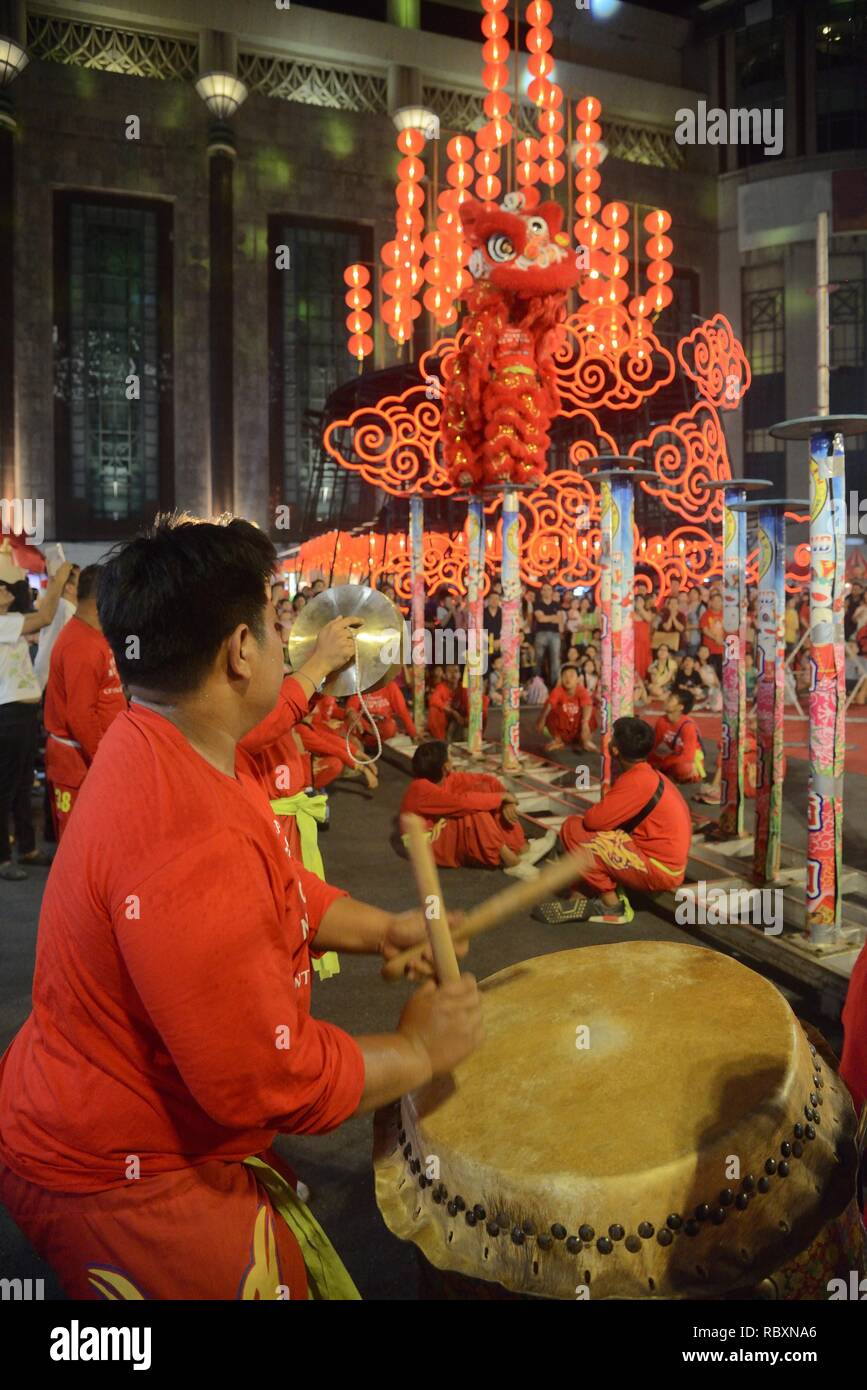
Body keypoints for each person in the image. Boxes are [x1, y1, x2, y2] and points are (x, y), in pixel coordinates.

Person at [0, 514, 482, 1301]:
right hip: (119, 1166)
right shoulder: (185, 838)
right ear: (239, 650)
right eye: (275, 619)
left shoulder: (156, 735)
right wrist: (419, 1055)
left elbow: (280, 887)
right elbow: (262, 1079)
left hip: (108, 1113)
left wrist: (384, 928)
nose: (286, 633)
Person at [533, 715, 692, 925]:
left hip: (659, 870)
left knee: (573, 829)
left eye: (612, 738)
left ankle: (611, 903)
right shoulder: (649, 774)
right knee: (597, 837)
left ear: (615, 750)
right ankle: (583, 891)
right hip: (667, 862)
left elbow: (592, 821)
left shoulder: (635, 781)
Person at [0, 552, 75, 881]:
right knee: (6, 788)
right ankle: (4, 857)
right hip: (10, 713)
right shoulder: (3, 623)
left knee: (19, 785)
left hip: (22, 711)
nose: (7, 589)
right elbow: (45, 617)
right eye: (0, 588)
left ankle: (27, 848)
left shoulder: (10, 624)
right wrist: (58, 579)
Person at [43, 565, 127, 839]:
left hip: (95, 757)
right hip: (78, 764)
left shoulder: (99, 635)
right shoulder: (80, 645)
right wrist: (106, 760)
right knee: (78, 840)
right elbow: (79, 716)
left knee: (100, 839)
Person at [400, 740, 555, 879]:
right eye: (449, 756)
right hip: (426, 847)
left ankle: (520, 848)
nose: (452, 758)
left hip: (439, 832)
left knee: (485, 789)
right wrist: (501, 798)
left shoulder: (445, 777)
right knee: (472, 810)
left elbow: (486, 780)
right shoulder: (419, 788)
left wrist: (506, 800)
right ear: (445, 766)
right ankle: (512, 863)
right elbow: (462, 803)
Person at [33, 562, 79, 691]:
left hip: (46, 676)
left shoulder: (61, 607)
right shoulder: (65, 610)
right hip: (52, 679)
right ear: (69, 588)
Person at [648, 688, 705, 784]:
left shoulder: (688, 726)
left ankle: (675, 778)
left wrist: (663, 762)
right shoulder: (661, 721)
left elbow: (688, 757)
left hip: (690, 762)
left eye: (670, 699)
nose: (665, 701)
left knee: (683, 768)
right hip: (674, 757)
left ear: (680, 707)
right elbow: (654, 745)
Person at [536, 664, 596, 752]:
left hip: (579, 729)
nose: (568, 678)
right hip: (563, 730)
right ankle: (558, 740)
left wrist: (585, 723)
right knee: (551, 711)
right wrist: (542, 719)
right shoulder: (558, 690)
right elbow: (550, 704)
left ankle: (585, 741)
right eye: (565, 675)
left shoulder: (581, 690)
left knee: (591, 712)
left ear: (578, 679)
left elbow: (587, 705)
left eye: (571, 675)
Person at [346, 677, 417, 744]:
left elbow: (402, 711)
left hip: (382, 727)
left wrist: (413, 733)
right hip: (364, 727)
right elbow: (350, 708)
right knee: (351, 721)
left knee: (390, 727)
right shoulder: (361, 686)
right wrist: (353, 714)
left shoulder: (391, 686)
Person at [533, 581, 563, 687]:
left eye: (549, 589)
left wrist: (547, 617)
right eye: (544, 589)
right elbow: (540, 619)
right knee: (538, 660)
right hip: (540, 634)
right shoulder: (537, 604)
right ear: (541, 592)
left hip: (555, 634)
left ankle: (554, 685)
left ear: (552, 591)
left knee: (555, 660)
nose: (547, 591)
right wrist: (552, 617)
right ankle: (537, 685)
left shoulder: (556, 604)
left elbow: (559, 619)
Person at [699, 591, 725, 678]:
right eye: (715, 601)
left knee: (722, 671)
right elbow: (705, 630)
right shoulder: (706, 615)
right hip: (709, 649)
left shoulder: (726, 614)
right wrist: (716, 638)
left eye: (719, 601)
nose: (717, 603)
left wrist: (722, 639)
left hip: (723, 648)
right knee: (711, 672)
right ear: (711, 602)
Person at [633, 593, 652, 679]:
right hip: (633, 643)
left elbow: (648, 619)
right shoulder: (630, 613)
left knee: (644, 663)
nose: (639, 602)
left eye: (641, 600)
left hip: (644, 643)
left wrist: (640, 608)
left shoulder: (648, 612)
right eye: (637, 600)